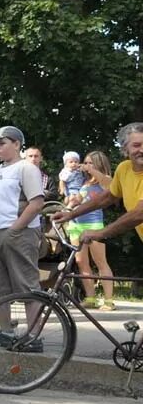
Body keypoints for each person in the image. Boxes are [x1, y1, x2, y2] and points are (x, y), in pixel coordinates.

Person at [55, 125, 143, 301]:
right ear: (125, 149)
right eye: (136, 145)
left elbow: (139, 213)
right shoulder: (124, 169)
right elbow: (107, 197)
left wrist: (100, 232)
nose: (142, 150)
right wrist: (70, 214)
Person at [0, 125, 47, 351]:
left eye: (2, 142)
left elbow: (37, 203)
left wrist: (15, 229)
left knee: (27, 285)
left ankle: (33, 337)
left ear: (17, 144)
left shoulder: (26, 168)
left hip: (17, 233)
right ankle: (6, 332)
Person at [63, 150, 116, 309]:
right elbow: (78, 200)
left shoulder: (102, 180)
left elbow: (109, 184)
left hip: (93, 225)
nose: (85, 166)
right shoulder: (84, 183)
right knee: (81, 262)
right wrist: (69, 205)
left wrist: (92, 170)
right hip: (76, 224)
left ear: (98, 164)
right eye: (85, 162)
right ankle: (91, 298)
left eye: (89, 162)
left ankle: (108, 300)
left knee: (100, 262)